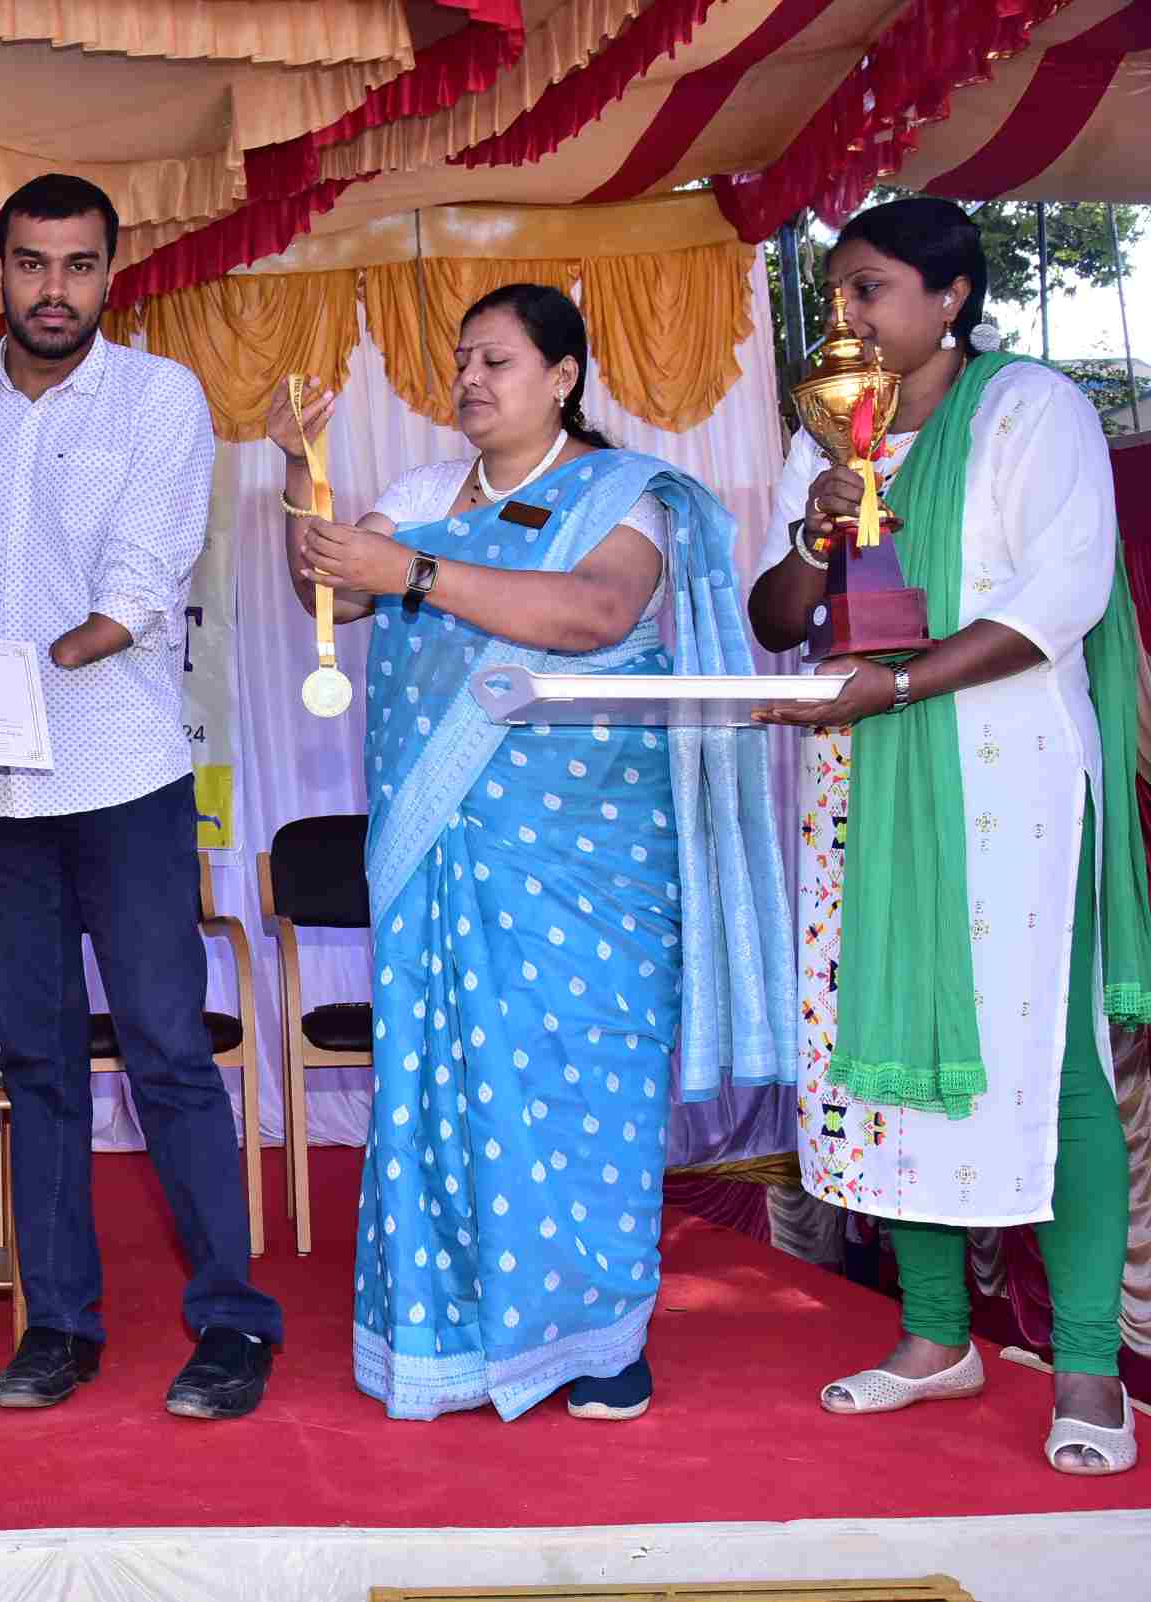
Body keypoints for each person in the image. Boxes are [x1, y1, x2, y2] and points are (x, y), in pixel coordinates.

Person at [268, 283, 792, 1423]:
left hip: (591, 853)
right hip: (441, 837)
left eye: (496, 360)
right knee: (446, 1079)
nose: (469, 379)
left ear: (563, 377)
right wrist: (299, 478)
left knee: (582, 1074)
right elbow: (330, 597)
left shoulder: (621, 494)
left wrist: (413, 574)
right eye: (461, 359)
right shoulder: (421, 496)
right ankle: (456, 1335)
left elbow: (597, 613)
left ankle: (601, 1338)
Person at [0, 173, 285, 1420]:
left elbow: (139, 586)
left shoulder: (160, 397)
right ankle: (58, 1324)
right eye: (33, 264)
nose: (55, 289)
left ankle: (232, 1321)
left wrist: (22, 668)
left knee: (167, 1048)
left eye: (80, 265)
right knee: (38, 1059)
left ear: (112, 273)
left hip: (120, 777)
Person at [748, 197, 1143, 1476]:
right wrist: (819, 527)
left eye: (868, 289)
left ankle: (1088, 1368)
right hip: (864, 785)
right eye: (835, 295)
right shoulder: (830, 433)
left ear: (952, 295)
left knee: (1054, 1062)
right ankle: (933, 1338)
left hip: (1008, 782)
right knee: (883, 1053)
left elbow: (1062, 596)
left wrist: (903, 683)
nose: (846, 317)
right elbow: (776, 620)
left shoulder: (1032, 410)